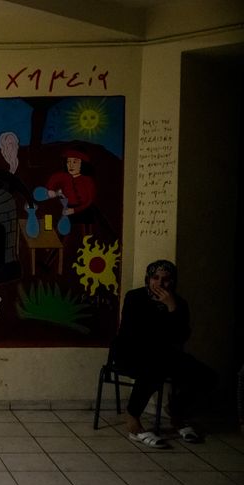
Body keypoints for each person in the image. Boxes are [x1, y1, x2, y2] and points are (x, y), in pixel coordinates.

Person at [113, 259, 216, 448]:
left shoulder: (178, 303)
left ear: (173, 281)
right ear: (148, 279)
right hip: (131, 353)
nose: (160, 284)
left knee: (207, 376)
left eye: (166, 279)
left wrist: (171, 309)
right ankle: (133, 420)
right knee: (155, 366)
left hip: (165, 355)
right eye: (155, 278)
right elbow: (134, 333)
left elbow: (180, 336)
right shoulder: (135, 298)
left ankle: (177, 413)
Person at [44, 148, 96, 235]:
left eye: (75, 162)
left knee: (86, 234)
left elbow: (89, 201)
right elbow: (52, 180)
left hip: (84, 211)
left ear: (82, 164)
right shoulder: (63, 176)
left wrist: (74, 210)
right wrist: (50, 190)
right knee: (60, 229)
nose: (71, 165)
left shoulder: (88, 181)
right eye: (68, 162)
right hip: (67, 210)